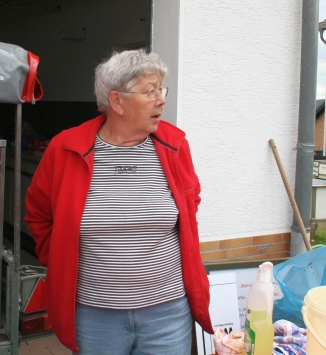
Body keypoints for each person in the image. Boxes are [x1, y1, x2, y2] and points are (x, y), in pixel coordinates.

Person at [25, 49, 213, 354]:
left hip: (167, 311)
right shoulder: (66, 148)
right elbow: (38, 213)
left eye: (161, 89)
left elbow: (191, 203)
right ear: (116, 101)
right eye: (150, 91)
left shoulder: (175, 146)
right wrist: (60, 258)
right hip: (95, 315)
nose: (161, 100)